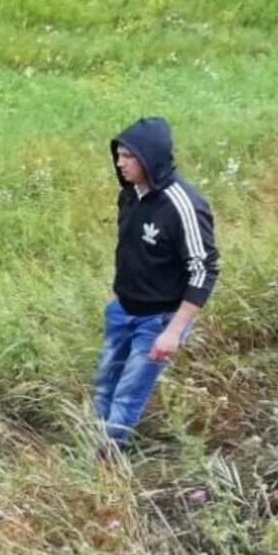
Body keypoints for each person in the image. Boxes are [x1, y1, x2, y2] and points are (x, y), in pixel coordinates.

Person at [95, 116, 219, 446]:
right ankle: (100, 447)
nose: (119, 164)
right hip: (122, 310)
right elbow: (130, 251)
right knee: (105, 385)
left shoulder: (184, 206)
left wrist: (174, 331)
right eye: (117, 155)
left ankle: (104, 465)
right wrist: (114, 296)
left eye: (127, 156)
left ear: (149, 156)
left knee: (127, 395)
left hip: (158, 321)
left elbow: (204, 269)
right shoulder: (130, 196)